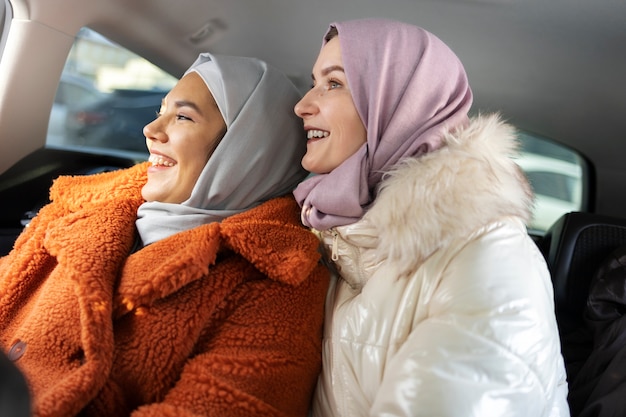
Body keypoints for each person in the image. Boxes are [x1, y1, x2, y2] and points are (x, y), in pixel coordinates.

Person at [0, 52, 329, 417]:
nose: (151, 130)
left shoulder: (278, 283)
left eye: (183, 117)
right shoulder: (79, 214)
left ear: (246, 150)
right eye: (160, 111)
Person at [293, 18, 570, 416]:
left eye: (333, 83)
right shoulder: (330, 240)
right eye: (313, 81)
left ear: (396, 102)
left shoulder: (488, 257)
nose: (301, 104)